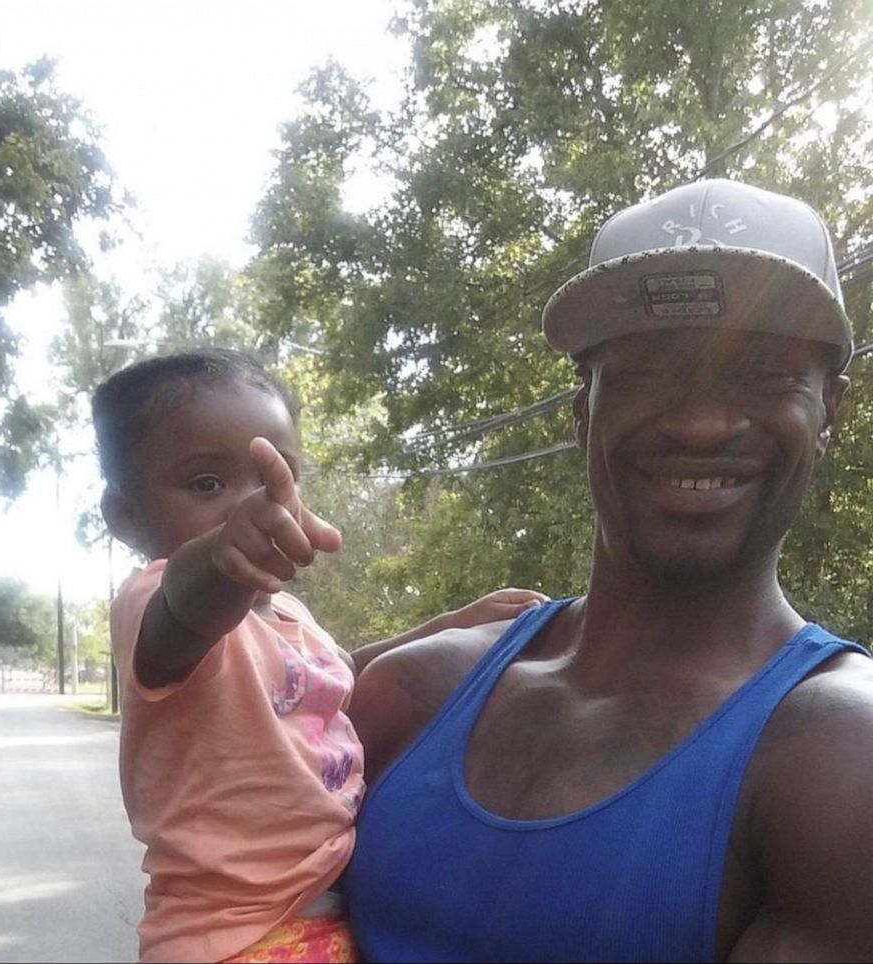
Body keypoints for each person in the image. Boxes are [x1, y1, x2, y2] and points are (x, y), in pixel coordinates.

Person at [344, 179, 873, 962]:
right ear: (581, 405)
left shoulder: (839, 762)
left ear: (831, 409)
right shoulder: (411, 693)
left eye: (765, 373)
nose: (701, 423)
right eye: (651, 370)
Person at [91, 349, 546, 963]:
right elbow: (187, 608)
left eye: (276, 479)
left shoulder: (288, 617)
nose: (260, 507)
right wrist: (224, 554)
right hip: (240, 934)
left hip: (313, 911)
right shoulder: (154, 602)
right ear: (124, 514)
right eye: (207, 484)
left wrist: (451, 624)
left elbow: (343, 675)